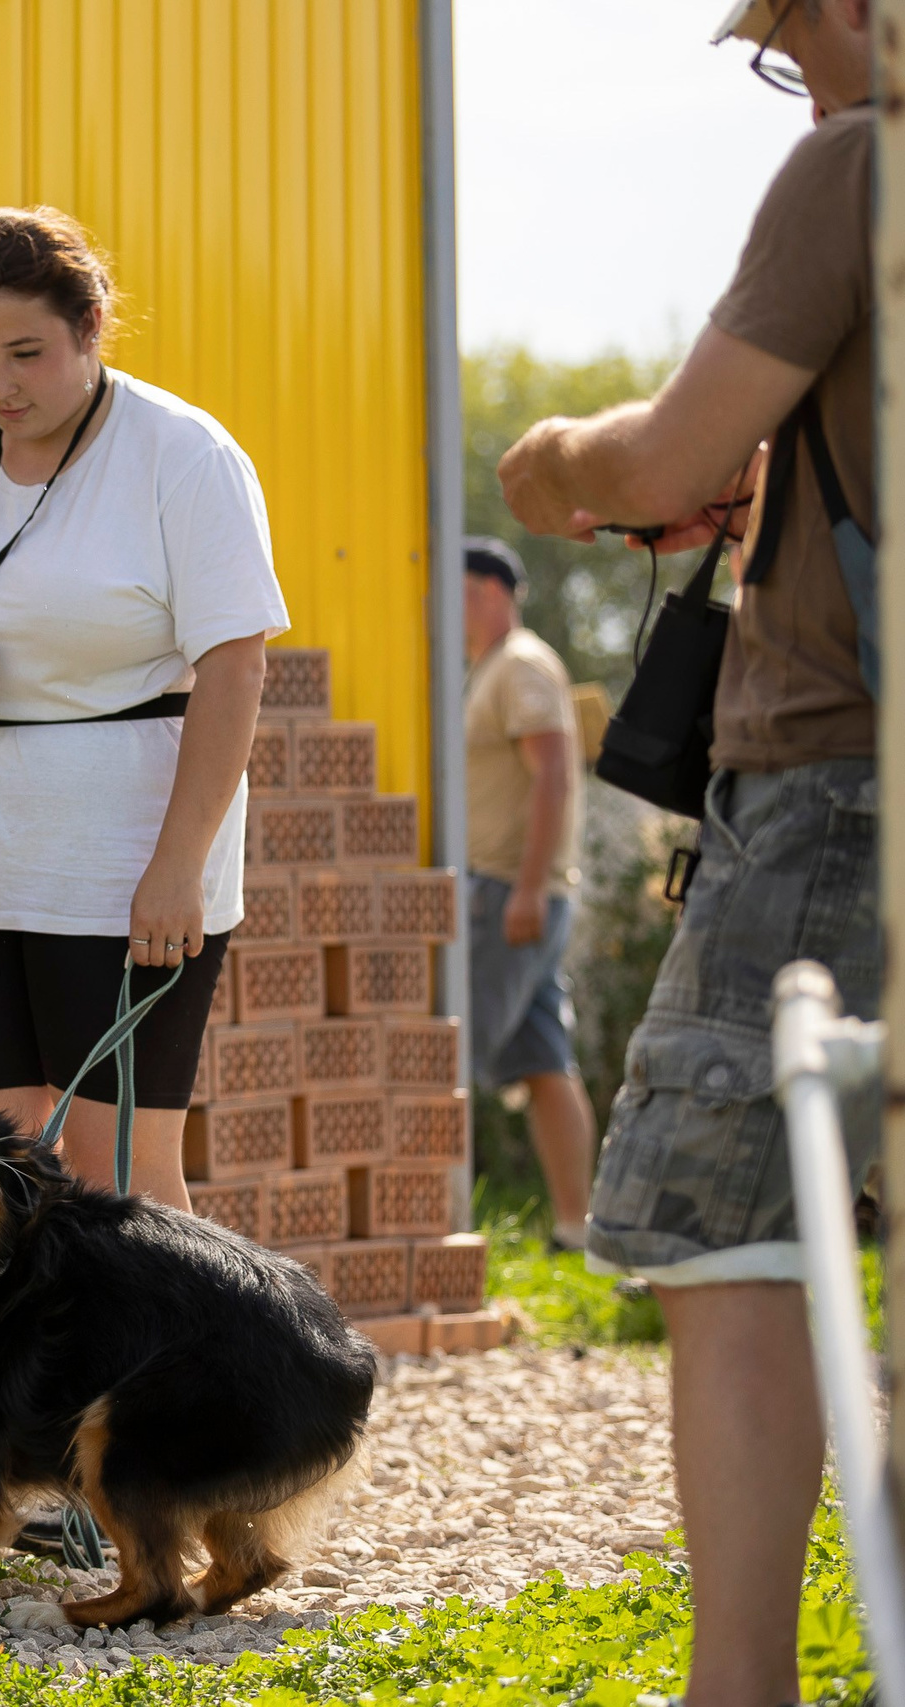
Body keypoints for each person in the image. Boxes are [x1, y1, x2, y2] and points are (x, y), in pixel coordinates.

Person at [495, 2, 873, 1701]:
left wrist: (557, 461)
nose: (799, 80)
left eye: (792, 41)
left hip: (838, 799)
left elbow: (649, 461)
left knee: (738, 1242)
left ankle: (744, 1688)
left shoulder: (856, 169)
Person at [0, 206, 286, 1208]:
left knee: (114, 1175)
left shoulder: (185, 453)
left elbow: (235, 666)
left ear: (91, 326)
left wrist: (179, 862)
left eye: (27, 354)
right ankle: (48, 1376)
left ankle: (180, 1371)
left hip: (119, 855)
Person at [460, 536, 599, 1250]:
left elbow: (553, 774)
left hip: (510, 893)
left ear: (485, 589)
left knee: (449, 1059)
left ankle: (437, 1225)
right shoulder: (492, 668)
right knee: (545, 1063)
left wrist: (529, 887)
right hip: (518, 892)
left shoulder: (519, 665)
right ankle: (579, 1229)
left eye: (452, 592)